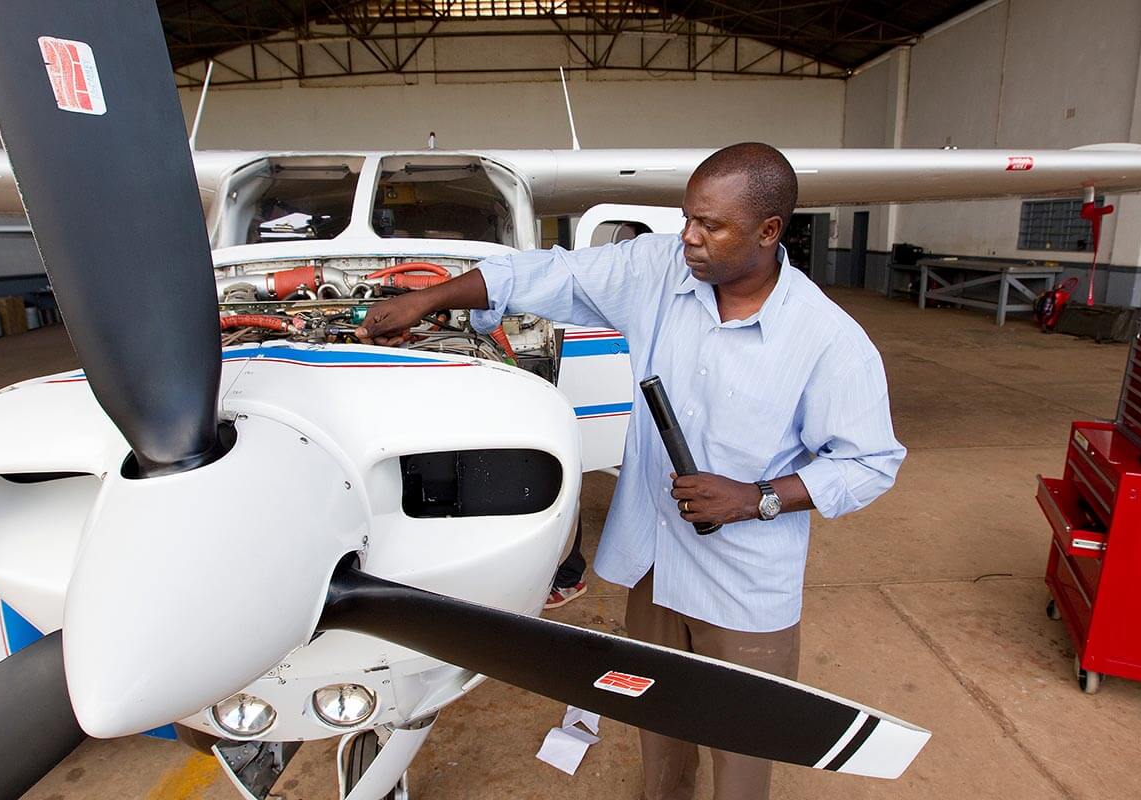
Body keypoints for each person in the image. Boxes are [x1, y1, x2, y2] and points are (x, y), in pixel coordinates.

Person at [356, 142, 904, 800]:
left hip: (745, 586)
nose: (689, 238)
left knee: (742, 742)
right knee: (658, 718)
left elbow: (870, 464)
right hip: (656, 559)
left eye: (711, 226)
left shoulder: (828, 342)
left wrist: (755, 498)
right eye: (687, 219)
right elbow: (550, 274)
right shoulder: (658, 269)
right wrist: (430, 298)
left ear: (769, 231)